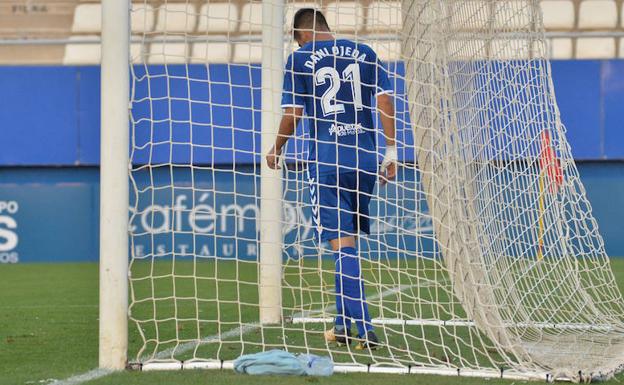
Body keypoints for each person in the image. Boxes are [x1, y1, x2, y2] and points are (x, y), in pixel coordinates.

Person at [266, 8, 396, 350]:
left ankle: (366, 329)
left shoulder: (299, 59)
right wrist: (393, 151)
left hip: (326, 161)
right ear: (325, 26)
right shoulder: (365, 52)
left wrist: (276, 148)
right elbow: (384, 99)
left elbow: (294, 112)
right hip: (366, 158)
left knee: (341, 247)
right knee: (348, 242)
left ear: (301, 35)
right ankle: (341, 325)